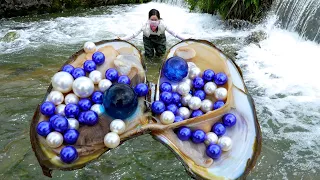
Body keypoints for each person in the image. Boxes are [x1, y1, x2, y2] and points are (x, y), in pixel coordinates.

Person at [120, 9, 186, 58]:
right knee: (149, 56)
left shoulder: (163, 24)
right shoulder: (144, 25)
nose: (154, 22)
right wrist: (123, 39)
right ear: (148, 19)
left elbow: (174, 33)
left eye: (155, 20)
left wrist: (185, 38)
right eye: (152, 19)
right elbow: (134, 34)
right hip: (148, 38)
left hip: (160, 38)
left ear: (159, 20)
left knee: (161, 54)